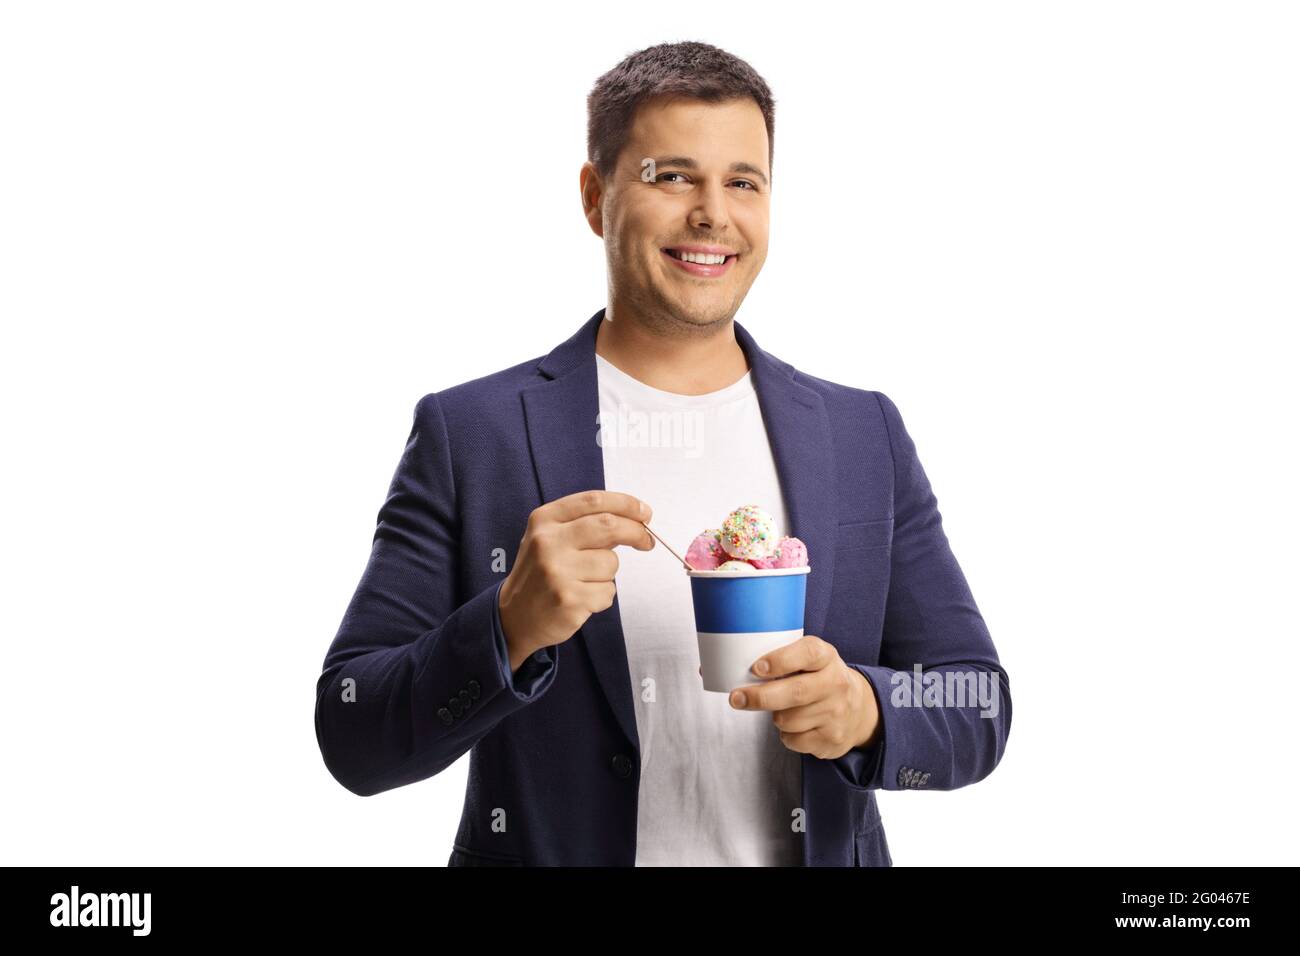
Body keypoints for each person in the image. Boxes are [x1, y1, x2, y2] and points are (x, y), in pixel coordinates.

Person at [314, 40, 1011, 866]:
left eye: (743, 182)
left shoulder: (863, 434)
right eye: (673, 176)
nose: (713, 213)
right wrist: (506, 626)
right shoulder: (474, 435)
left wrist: (867, 709)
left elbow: (977, 703)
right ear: (595, 196)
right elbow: (353, 733)